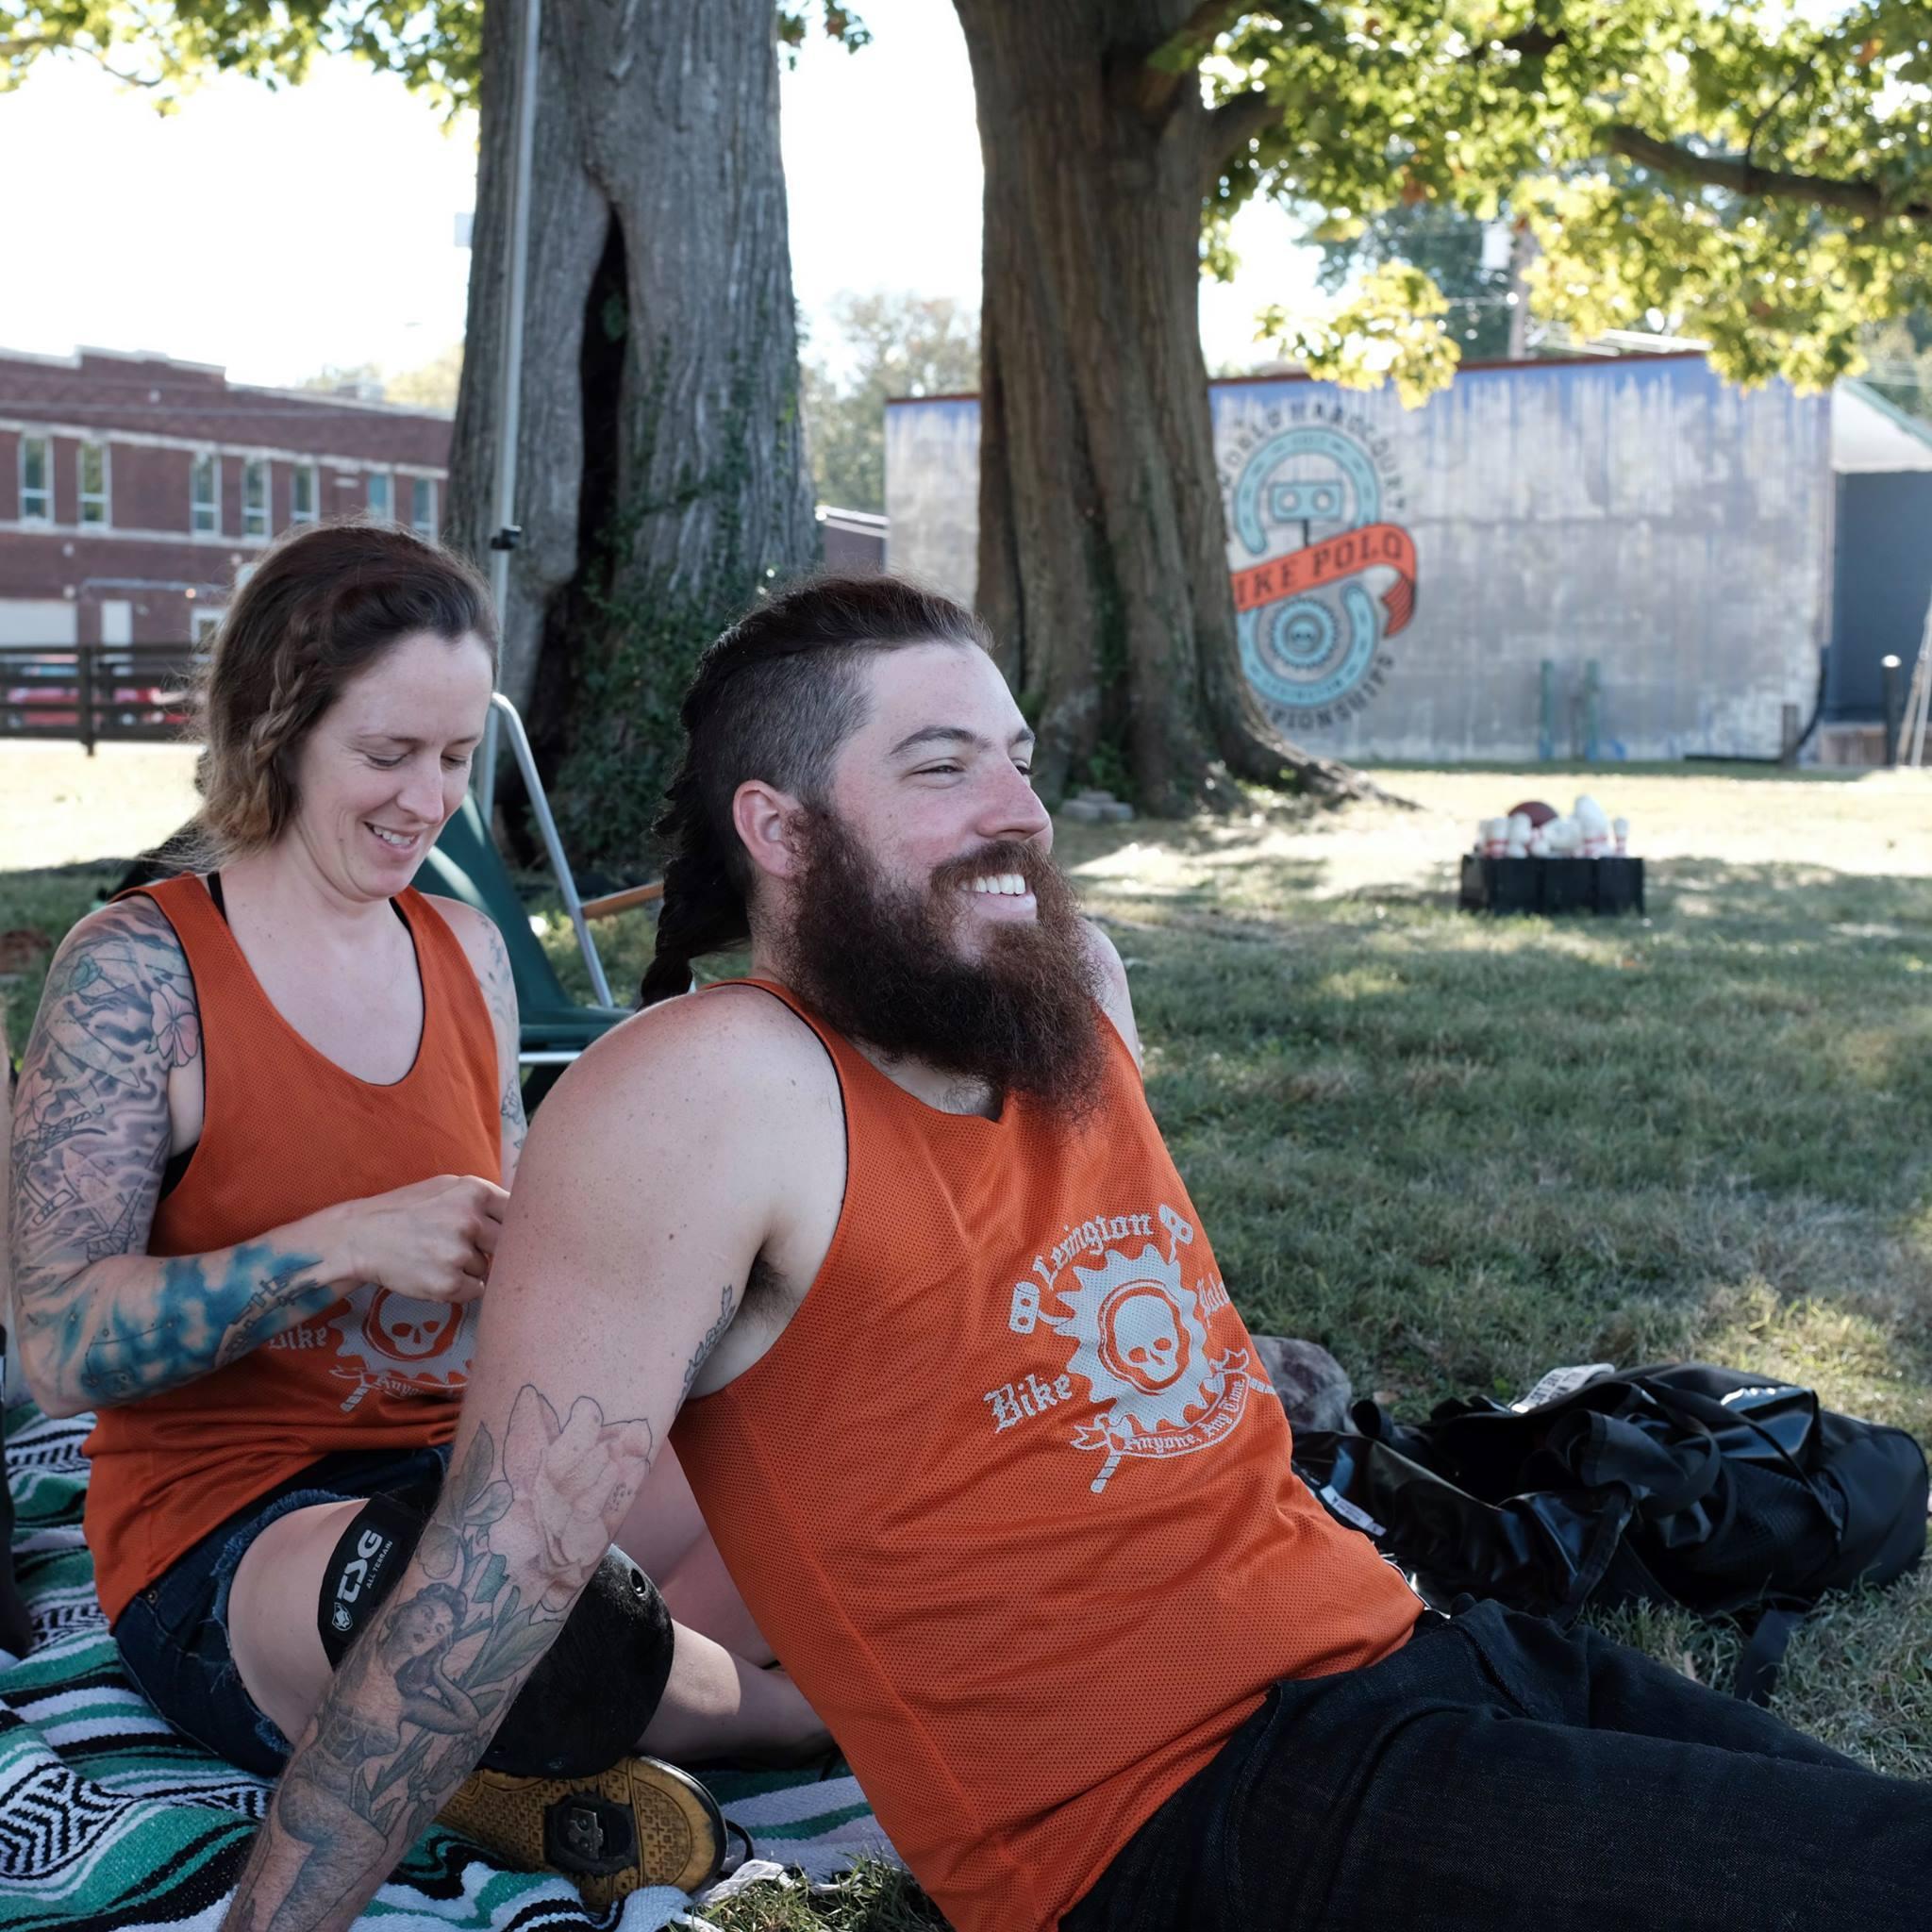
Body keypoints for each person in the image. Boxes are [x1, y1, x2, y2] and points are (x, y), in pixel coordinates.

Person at [219, 575, 1932, 1932]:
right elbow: (492, 1573)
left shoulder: (1064, 998)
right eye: (940, 767)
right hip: (1184, 1813)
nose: (1015, 809)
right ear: (782, 829)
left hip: (1413, 1650)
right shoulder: (704, 1092)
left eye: (1018, 756)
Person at [4, 522, 821, 1908]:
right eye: (389, 756)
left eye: (456, 760)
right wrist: (337, 1247)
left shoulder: (465, 949)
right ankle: (784, 1712)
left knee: (821, 1400)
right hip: (255, 1546)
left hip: (492, 1482)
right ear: (276, 726)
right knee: (463, 1601)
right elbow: (57, 1342)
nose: (427, 801)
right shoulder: (138, 973)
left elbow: (512, 1249)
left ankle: (572, 1720)